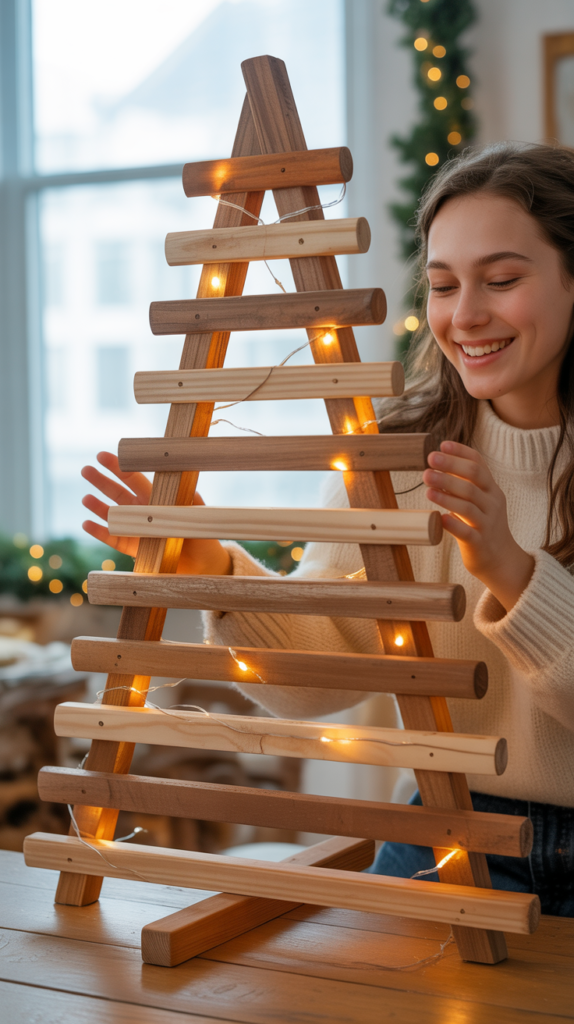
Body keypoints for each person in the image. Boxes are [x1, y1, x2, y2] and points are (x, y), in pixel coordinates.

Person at [82, 142, 574, 914]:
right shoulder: (394, 455)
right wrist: (209, 563)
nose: (466, 314)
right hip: (445, 836)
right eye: (443, 285)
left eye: (502, 280)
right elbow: (321, 677)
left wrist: (509, 567)